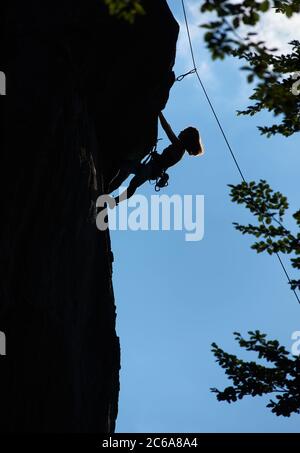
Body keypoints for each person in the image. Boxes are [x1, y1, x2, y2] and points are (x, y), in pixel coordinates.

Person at [109, 112, 204, 204]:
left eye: (184, 131)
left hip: (150, 169)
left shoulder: (179, 146)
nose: (181, 131)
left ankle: (113, 198)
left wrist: (159, 113)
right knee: (133, 185)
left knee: (125, 170)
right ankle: (114, 201)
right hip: (151, 170)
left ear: (187, 137)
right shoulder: (180, 151)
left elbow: (167, 129)